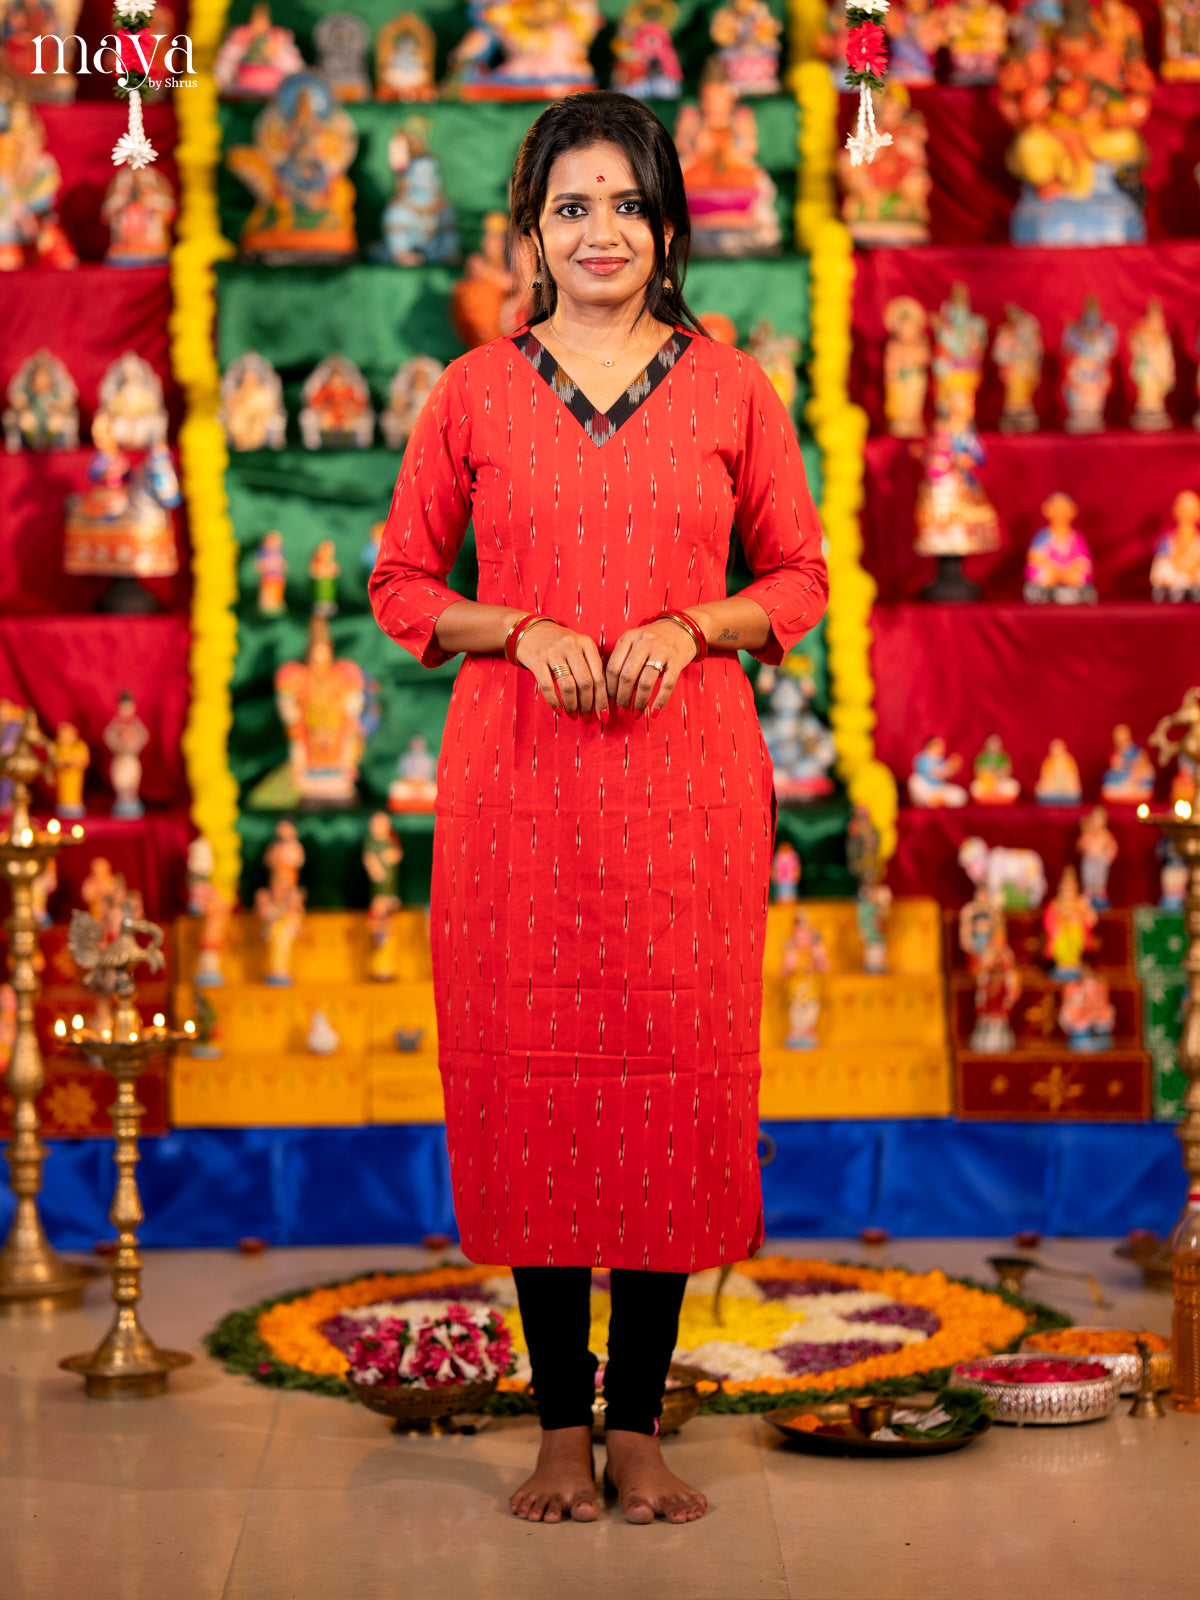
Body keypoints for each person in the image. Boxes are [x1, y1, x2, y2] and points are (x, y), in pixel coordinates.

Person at [370, 91, 827, 1527]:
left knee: (672, 1082)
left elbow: (801, 577)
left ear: (669, 224)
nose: (601, 232)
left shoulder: (732, 389)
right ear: (531, 230)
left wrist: (695, 624)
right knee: (539, 1089)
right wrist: (515, 628)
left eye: (627, 203)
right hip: (522, 789)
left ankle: (639, 1429)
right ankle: (559, 1431)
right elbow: (400, 585)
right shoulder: (472, 391)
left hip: (688, 790)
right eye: (572, 207)